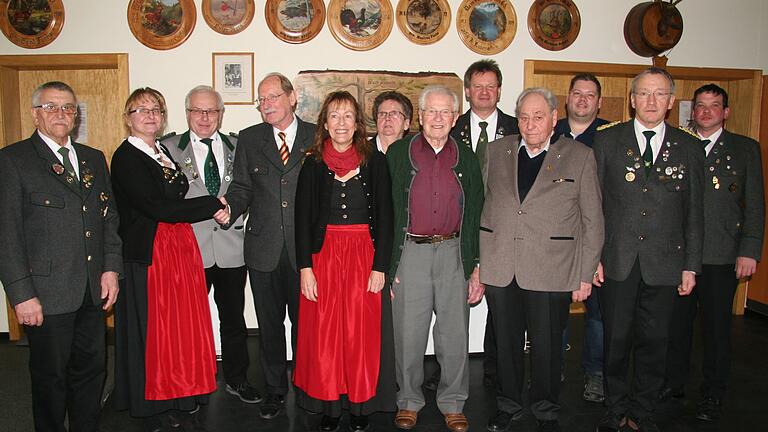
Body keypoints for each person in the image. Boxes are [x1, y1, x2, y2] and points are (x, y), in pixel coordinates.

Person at [0, 81, 122, 432]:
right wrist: (22, 294)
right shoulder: (14, 160)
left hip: (91, 289)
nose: (61, 114)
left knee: (92, 369)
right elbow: (6, 233)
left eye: (68, 108)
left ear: (76, 115)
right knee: (50, 378)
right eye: (51, 107)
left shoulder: (93, 158)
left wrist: (111, 270)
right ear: (36, 114)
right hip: (46, 293)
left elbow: (108, 217)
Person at [481, 87, 604, 432]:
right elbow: (481, 205)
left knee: (547, 346)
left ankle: (546, 408)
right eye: (523, 116)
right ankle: (508, 404)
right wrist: (479, 262)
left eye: (538, 116)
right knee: (504, 344)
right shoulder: (496, 150)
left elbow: (592, 220)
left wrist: (585, 272)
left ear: (553, 118)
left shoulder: (579, 156)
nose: (530, 123)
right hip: (502, 264)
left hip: (552, 268)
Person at [593, 67, 705, 432]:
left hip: (665, 262)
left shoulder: (689, 146)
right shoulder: (608, 140)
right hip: (617, 260)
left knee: (655, 342)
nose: (651, 101)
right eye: (643, 93)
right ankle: (614, 409)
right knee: (615, 341)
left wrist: (691, 266)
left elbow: (694, 212)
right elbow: (593, 206)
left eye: (659, 94)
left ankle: (641, 412)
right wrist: (593, 258)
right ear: (632, 98)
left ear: (671, 102)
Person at [111, 87, 227, 431]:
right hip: (152, 251)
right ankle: (156, 401)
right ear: (128, 118)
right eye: (140, 110)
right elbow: (156, 207)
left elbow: (173, 198)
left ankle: (182, 392)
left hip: (177, 245)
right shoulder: (127, 157)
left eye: (156, 110)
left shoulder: (160, 150)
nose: (149, 116)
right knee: (158, 329)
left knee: (180, 325)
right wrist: (212, 204)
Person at [293, 91, 396, 432]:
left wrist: (381, 266)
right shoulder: (313, 163)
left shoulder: (374, 161)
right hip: (323, 257)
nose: (341, 123)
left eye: (348, 116)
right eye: (334, 116)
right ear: (324, 123)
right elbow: (302, 218)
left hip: (363, 256)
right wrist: (305, 268)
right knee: (325, 335)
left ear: (357, 123)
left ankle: (359, 407)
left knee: (360, 335)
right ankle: (331, 406)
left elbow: (386, 216)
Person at [662, 84, 764, 422]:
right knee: (676, 327)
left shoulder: (745, 149)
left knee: (717, 329)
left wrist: (749, 250)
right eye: (701, 106)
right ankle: (672, 385)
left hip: (721, 255)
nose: (705, 112)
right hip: (679, 255)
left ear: (726, 112)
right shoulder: (679, 145)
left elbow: (755, 208)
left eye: (714, 106)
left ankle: (712, 393)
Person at [387, 85, 484, 432]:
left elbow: (476, 213)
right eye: (432, 111)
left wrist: (475, 265)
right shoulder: (398, 153)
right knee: (408, 334)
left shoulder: (467, 157)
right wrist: (388, 266)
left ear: (455, 117)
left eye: (446, 112)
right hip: (409, 252)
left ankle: (453, 402)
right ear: (421, 116)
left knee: (454, 334)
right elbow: (384, 213)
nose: (439, 118)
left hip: (453, 252)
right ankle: (409, 401)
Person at [222, 72, 317, 419]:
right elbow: (242, 187)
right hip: (263, 249)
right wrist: (230, 208)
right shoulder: (249, 139)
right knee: (270, 325)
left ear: (292, 98)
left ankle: (307, 388)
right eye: (261, 100)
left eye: (273, 97)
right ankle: (275, 390)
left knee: (306, 326)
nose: (266, 105)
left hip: (305, 251)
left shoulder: (316, 135)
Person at [164, 85, 259, 404]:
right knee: (187, 322)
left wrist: (235, 210)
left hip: (232, 248)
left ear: (221, 113)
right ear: (187, 112)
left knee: (233, 319)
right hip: (190, 250)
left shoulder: (238, 145)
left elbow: (249, 189)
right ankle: (189, 383)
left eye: (212, 111)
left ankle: (237, 378)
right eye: (197, 111)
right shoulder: (168, 148)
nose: (205, 118)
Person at [433, 59, 517, 392]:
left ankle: (498, 373)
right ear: (467, 91)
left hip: (503, 230)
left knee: (502, 306)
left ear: (498, 90)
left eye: (490, 86)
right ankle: (442, 370)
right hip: (460, 226)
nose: (484, 92)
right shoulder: (450, 128)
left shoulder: (517, 128)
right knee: (448, 302)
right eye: (477, 86)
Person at [554, 73, 609, 403]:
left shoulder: (611, 136)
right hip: (556, 243)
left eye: (590, 95)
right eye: (577, 93)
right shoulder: (550, 130)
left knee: (598, 317)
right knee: (555, 314)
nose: (583, 99)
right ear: (567, 98)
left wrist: (598, 252)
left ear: (599, 102)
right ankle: (553, 367)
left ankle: (595, 375)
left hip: (593, 241)